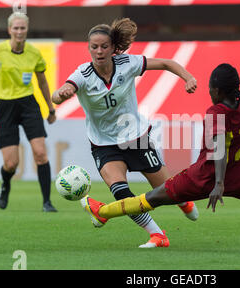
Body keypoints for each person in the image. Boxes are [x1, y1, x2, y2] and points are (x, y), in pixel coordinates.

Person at [79, 63, 240, 254]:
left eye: (211, 88)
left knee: (152, 198)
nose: (209, 92)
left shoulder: (215, 113)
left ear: (218, 91)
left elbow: (219, 149)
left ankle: (104, 211)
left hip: (204, 178)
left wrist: (219, 183)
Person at [52, 18, 199, 248]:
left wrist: (188, 78)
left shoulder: (127, 63)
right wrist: (62, 93)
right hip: (103, 144)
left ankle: (183, 202)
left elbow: (166, 63)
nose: (99, 51)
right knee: (121, 192)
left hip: (136, 138)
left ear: (113, 48)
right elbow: (58, 94)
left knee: (166, 191)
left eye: (104, 46)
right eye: (94, 47)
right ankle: (157, 235)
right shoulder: (83, 74)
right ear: (88, 48)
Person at [0, 12, 58, 212]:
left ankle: (47, 202)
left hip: (28, 105)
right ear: (9, 30)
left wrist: (50, 108)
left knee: (41, 153)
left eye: (22, 27)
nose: (19, 31)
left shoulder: (34, 53)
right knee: (11, 163)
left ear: (27, 29)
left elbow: (42, 81)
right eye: (15, 28)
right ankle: (5, 184)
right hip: (4, 106)